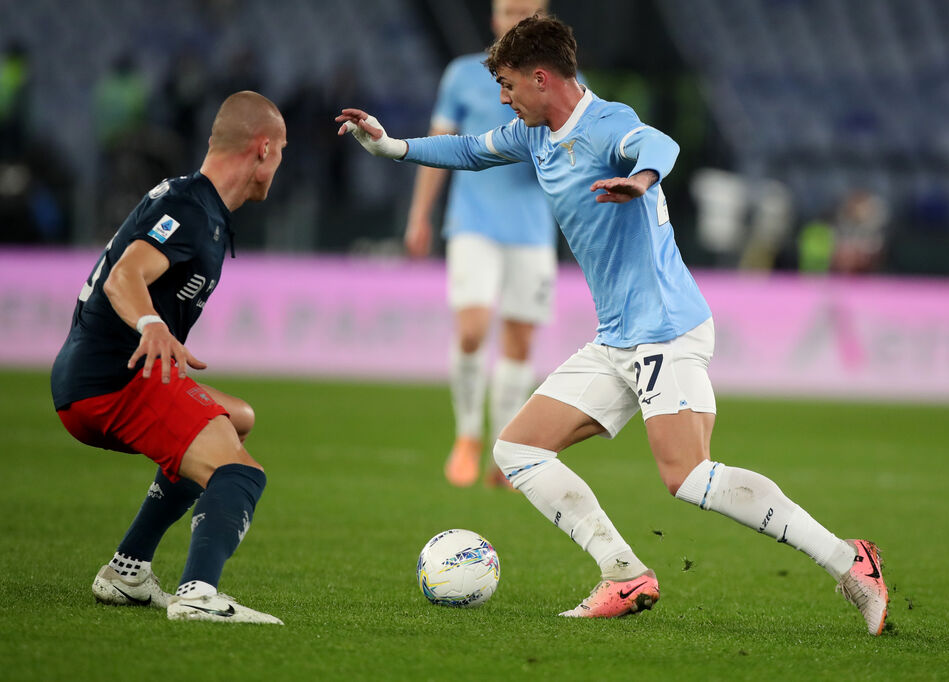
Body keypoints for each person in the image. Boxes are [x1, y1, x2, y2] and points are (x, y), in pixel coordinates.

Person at [336, 14, 889, 635]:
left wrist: (641, 180)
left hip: (665, 328)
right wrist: (390, 146)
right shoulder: (533, 135)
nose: (503, 99)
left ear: (542, 79)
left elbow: (660, 146)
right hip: (619, 337)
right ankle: (622, 573)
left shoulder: (609, 124)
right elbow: (467, 149)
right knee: (518, 448)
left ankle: (849, 560)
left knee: (687, 475)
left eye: (510, 86)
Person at [50, 91, 287, 625]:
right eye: (283, 151)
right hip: (113, 381)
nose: (281, 163)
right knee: (240, 473)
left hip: (100, 377)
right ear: (264, 148)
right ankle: (198, 594)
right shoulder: (189, 207)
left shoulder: (198, 205)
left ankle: (127, 570)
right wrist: (151, 324)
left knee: (237, 419)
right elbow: (125, 274)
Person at [405, 0, 557, 489]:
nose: (516, 18)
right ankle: (468, 434)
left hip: (532, 228)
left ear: (543, 17)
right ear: (494, 18)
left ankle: (505, 451)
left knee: (519, 341)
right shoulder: (462, 75)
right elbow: (440, 147)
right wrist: (419, 216)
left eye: (526, 10)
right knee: (472, 329)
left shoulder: (561, 81)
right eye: (508, 10)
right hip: (472, 223)